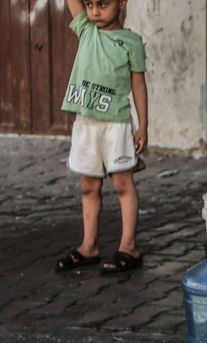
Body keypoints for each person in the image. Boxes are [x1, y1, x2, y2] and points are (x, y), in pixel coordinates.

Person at [55, 0, 147, 274]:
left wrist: (143, 125)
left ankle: (129, 246)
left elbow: (139, 85)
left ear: (121, 3)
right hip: (86, 125)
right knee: (89, 187)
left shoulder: (131, 42)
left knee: (122, 183)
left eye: (103, 5)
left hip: (116, 126)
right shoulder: (86, 30)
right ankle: (89, 246)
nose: (95, 11)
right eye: (91, 4)